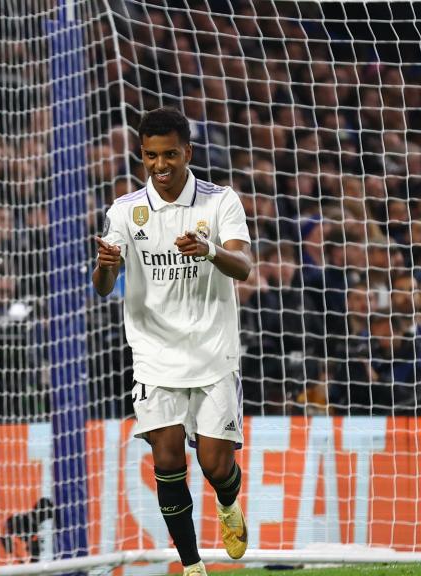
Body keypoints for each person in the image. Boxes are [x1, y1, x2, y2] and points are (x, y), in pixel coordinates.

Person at [93, 107, 251, 576]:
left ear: (189, 153)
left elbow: (243, 267)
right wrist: (107, 264)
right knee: (166, 457)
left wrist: (209, 249)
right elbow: (102, 286)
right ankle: (193, 566)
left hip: (212, 351)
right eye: (150, 157)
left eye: (170, 156)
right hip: (154, 354)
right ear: (141, 156)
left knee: (215, 465)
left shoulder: (220, 202)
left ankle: (227, 503)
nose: (160, 167)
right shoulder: (125, 211)